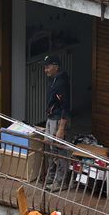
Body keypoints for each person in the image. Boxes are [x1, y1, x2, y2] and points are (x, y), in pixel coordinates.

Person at [42, 54, 71, 191]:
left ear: (55, 67)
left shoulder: (61, 83)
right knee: (50, 149)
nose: (45, 70)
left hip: (58, 120)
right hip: (51, 118)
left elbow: (66, 106)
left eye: (48, 67)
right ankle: (51, 177)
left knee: (59, 151)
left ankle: (61, 181)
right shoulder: (54, 80)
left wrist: (61, 128)